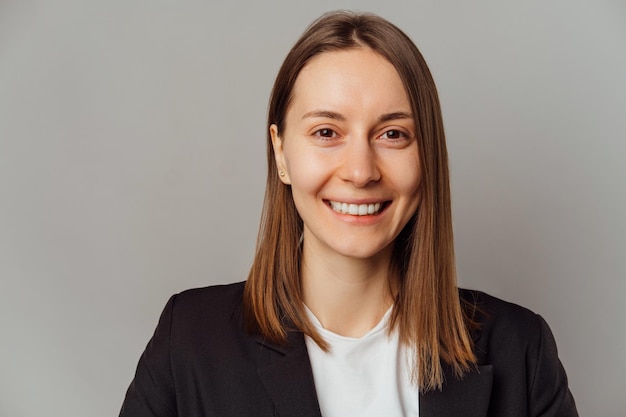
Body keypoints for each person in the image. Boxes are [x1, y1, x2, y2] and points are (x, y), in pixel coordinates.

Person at [119, 11, 578, 417]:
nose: (360, 172)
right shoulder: (191, 341)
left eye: (394, 134)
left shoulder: (522, 350)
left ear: (429, 156)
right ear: (280, 152)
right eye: (326, 131)